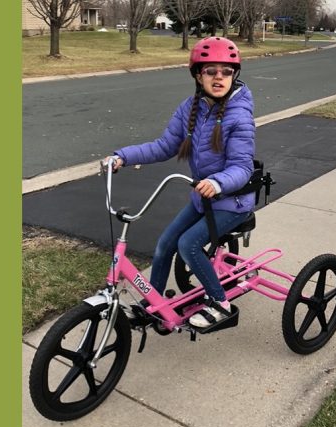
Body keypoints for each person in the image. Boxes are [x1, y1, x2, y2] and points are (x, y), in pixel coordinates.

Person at [104, 37, 255, 328]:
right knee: (164, 244)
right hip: (204, 198)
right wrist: (121, 156)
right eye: (211, 71)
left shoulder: (239, 115)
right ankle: (155, 304)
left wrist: (218, 183)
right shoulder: (191, 108)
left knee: (189, 245)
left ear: (235, 74)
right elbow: (163, 146)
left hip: (231, 201)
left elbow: (242, 167)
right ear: (198, 75)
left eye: (227, 71)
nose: (219, 77)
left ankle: (220, 304)